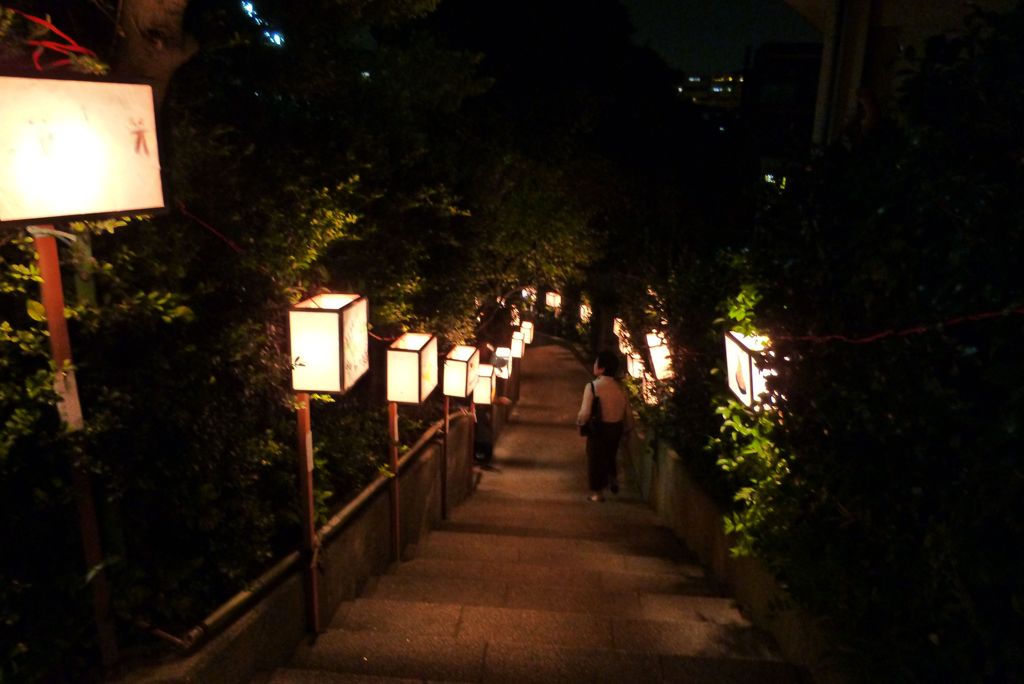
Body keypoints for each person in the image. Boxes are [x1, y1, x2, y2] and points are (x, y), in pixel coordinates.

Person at [577, 350, 633, 502]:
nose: (594, 365)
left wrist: (581, 421)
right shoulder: (621, 388)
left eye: (596, 363)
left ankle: (598, 493)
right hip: (616, 428)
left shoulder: (593, 387)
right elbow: (627, 411)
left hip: (599, 429)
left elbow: (586, 411)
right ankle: (612, 477)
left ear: (601, 368)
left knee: (595, 458)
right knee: (610, 455)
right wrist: (628, 429)